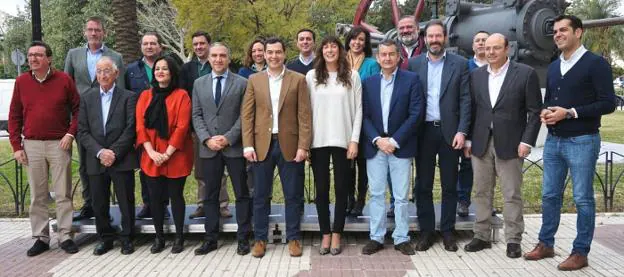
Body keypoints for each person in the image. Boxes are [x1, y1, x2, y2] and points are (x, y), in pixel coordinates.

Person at [524, 14, 616, 271]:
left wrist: (571, 112)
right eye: (555, 31)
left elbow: (609, 103)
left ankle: (580, 252)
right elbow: (552, 98)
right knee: (549, 195)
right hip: (554, 141)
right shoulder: (554, 66)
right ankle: (546, 243)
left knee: (583, 198)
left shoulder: (596, 64)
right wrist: (546, 111)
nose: (558, 35)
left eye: (564, 30)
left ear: (578, 32)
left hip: (582, 140)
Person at [462, 34, 542, 258]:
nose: (491, 52)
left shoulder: (525, 74)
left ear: (508, 49)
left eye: (496, 48)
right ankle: (481, 235)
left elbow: (535, 111)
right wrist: (468, 139)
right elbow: (472, 110)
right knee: (480, 191)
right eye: (487, 48)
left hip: (512, 144)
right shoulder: (476, 76)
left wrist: (527, 141)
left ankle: (513, 239)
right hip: (480, 143)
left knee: (511, 193)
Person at [241, 37, 312, 258]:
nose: (273, 56)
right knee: (261, 195)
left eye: (277, 52)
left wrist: (303, 146)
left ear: (284, 54)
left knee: (293, 195)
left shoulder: (298, 80)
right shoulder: (254, 80)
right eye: (269, 52)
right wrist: (247, 145)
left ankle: (293, 238)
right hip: (261, 145)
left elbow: (305, 116)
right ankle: (260, 239)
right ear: (264, 53)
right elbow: (247, 115)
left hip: (290, 145)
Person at [9, 41, 80, 256]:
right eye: (30, 55)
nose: (32, 59)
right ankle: (41, 238)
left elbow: (78, 109)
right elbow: (14, 115)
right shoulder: (21, 82)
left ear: (49, 58)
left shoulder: (64, 80)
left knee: (62, 193)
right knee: (38, 195)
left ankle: (65, 236)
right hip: (32, 145)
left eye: (38, 55)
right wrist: (16, 146)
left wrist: (70, 134)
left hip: (59, 143)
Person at [407, 20, 470, 252]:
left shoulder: (460, 64)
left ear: (445, 37)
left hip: (450, 132)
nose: (434, 40)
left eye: (438, 36)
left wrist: (462, 131)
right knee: (423, 185)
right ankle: (426, 231)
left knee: (449, 185)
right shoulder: (413, 65)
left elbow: (465, 100)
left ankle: (447, 231)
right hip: (423, 132)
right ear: (424, 39)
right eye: (430, 36)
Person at [360, 39, 423, 256]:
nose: (387, 58)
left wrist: (394, 141)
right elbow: (364, 116)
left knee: (401, 195)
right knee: (376, 194)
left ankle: (401, 237)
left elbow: (416, 113)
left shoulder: (411, 80)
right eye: (383, 54)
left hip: (400, 146)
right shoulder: (367, 83)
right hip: (375, 146)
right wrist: (378, 140)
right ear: (378, 58)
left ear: (398, 57)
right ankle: (376, 237)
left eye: (391, 54)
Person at [192, 43, 252, 256]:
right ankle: (211, 239)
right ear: (208, 58)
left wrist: (228, 138)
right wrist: (207, 139)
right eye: (214, 56)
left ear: (229, 58)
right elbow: (196, 115)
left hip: (233, 147)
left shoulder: (243, 83)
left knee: (241, 194)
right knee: (210, 195)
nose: (218, 59)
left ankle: (243, 238)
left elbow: (245, 116)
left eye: (222, 56)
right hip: (208, 148)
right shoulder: (199, 84)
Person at [64, 16, 125, 221]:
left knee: (112, 160)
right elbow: (67, 86)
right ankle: (89, 203)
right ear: (84, 32)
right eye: (90, 30)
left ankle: (111, 204)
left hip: (109, 116)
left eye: (97, 30)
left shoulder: (115, 56)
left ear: (103, 33)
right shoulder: (73, 55)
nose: (93, 33)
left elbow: (122, 88)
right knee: (85, 163)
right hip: (83, 116)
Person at [306, 36, 362, 255]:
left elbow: (359, 110)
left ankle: (337, 233)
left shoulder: (352, 76)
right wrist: (306, 142)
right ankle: (325, 234)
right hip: (318, 141)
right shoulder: (311, 77)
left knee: (342, 190)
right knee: (321, 191)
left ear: (340, 51)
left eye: (334, 47)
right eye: (326, 47)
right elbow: (306, 111)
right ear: (321, 51)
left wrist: (354, 140)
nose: (330, 50)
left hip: (343, 140)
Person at [77, 57, 139, 255]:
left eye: (106, 71)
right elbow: (83, 131)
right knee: (99, 202)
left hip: (121, 158)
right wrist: (100, 152)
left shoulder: (129, 97)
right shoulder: (87, 98)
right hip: (96, 159)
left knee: (126, 200)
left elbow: (131, 128)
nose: (103, 75)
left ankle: (127, 238)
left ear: (116, 74)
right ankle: (105, 238)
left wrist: (114, 152)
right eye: (99, 71)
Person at [135, 56, 193, 254]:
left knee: (176, 196)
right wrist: (151, 152)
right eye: (157, 68)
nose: (160, 71)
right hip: (151, 155)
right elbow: (140, 126)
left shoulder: (182, 95)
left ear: (172, 73)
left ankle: (179, 237)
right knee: (155, 198)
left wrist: (167, 153)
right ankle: (159, 237)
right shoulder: (145, 96)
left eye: (165, 69)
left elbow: (182, 127)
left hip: (175, 154)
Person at [179, 31, 232, 220]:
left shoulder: (220, 66)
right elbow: (187, 99)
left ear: (209, 46)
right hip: (199, 129)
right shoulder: (187, 69)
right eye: (195, 44)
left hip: (224, 129)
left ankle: (223, 204)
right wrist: (201, 132)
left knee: (222, 171)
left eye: (202, 44)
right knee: (202, 170)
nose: (199, 47)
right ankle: (203, 204)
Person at [125, 32, 170, 220]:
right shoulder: (131, 70)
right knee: (145, 167)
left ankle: (163, 204)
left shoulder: (167, 66)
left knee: (165, 166)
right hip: (141, 126)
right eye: (146, 43)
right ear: (141, 46)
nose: (149, 46)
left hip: (164, 124)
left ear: (160, 46)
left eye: (153, 43)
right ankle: (148, 203)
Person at [344, 26, 380, 217]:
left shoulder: (372, 64)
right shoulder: (340, 62)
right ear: (348, 40)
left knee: (362, 165)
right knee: (346, 165)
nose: (357, 43)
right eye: (354, 39)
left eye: (361, 40)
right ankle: (348, 199)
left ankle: (360, 200)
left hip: (364, 120)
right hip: (344, 120)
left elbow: (373, 94)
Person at [457, 30, 490, 217]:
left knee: (489, 166)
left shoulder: (497, 67)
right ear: (473, 46)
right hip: (470, 122)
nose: (481, 43)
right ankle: (463, 200)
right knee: (467, 164)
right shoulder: (465, 67)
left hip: (490, 124)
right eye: (477, 40)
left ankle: (486, 202)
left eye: (484, 40)